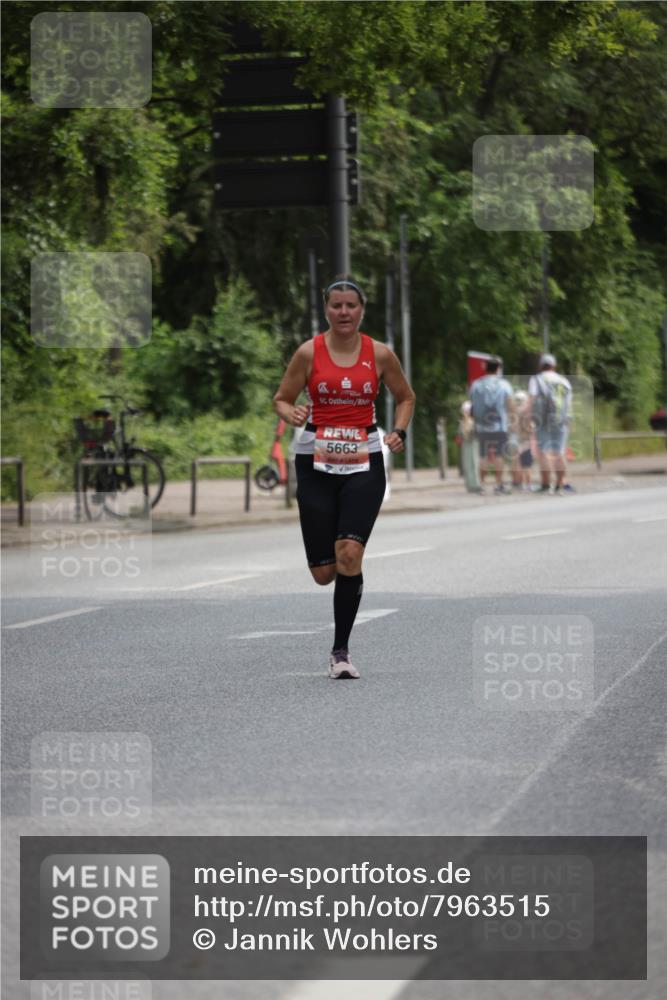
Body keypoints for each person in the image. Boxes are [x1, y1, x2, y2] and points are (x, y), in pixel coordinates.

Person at [273, 275, 416, 679]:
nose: (343, 312)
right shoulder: (308, 352)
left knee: (350, 553)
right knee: (324, 574)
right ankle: (341, 571)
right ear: (326, 310)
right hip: (315, 463)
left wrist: (399, 431)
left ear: (362, 310)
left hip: (364, 461)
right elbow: (281, 399)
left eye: (351, 305)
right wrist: (291, 412)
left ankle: (340, 652)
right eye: (336, 305)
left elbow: (406, 396)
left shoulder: (379, 354)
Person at [469, 356, 515, 494]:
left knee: (483, 455)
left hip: (481, 426)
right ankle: (499, 485)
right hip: (500, 426)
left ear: (485, 368)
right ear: (498, 369)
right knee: (499, 455)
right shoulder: (504, 384)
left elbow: (472, 405)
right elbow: (510, 404)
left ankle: (482, 485)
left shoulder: (476, 384)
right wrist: (513, 420)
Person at [529, 353, 572, 495]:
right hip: (561, 419)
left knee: (544, 452)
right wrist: (569, 421)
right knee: (560, 452)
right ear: (554, 366)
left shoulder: (536, 379)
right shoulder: (564, 381)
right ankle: (560, 484)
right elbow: (569, 404)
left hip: (543, 420)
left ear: (541, 366)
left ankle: (546, 484)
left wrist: (527, 417)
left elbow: (532, 399)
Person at [511, 389, 533, 491]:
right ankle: (528, 484)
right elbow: (530, 429)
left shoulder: (513, 412)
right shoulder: (526, 413)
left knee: (516, 461)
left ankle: (517, 482)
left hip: (514, 439)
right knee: (526, 464)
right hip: (524, 440)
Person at [458, 400, 481, 492]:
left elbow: (474, 433)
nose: (466, 413)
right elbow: (461, 434)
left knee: (475, 463)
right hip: (466, 445)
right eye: (465, 411)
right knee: (468, 465)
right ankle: (470, 485)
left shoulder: (474, 421)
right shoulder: (463, 422)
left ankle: (476, 484)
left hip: (473, 444)